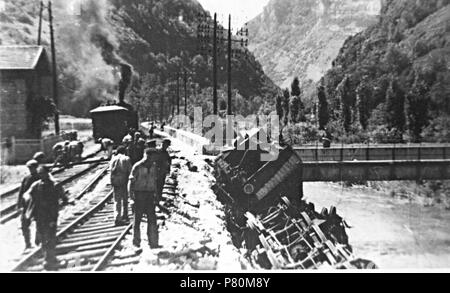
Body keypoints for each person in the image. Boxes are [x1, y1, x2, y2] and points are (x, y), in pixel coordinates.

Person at [25, 166, 70, 270]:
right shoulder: (54, 184)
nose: (41, 175)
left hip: (43, 217)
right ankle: (49, 260)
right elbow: (64, 198)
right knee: (49, 237)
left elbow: (27, 195)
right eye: (40, 174)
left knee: (45, 238)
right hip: (49, 217)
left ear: (46, 173)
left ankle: (50, 259)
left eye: (42, 173)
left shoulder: (37, 185)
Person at [128, 148, 162, 251]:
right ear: (147, 156)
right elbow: (130, 183)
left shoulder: (154, 166)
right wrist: (131, 198)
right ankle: (136, 243)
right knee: (137, 220)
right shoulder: (137, 166)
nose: (154, 159)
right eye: (153, 157)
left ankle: (153, 243)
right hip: (139, 195)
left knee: (152, 219)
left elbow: (155, 181)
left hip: (150, 196)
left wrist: (156, 195)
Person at [17, 160, 40, 250]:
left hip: (38, 204)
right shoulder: (26, 178)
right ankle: (27, 244)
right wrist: (19, 204)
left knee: (40, 224)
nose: (31, 169)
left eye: (32, 168)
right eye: (29, 168)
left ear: (36, 167)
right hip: (27, 205)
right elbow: (21, 191)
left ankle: (38, 242)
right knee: (24, 224)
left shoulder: (40, 177)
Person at [110, 146, 132, 225]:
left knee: (117, 200)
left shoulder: (113, 159)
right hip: (124, 181)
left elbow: (111, 172)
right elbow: (130, 171)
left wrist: (111, 182)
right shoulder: (126, 158)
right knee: (125, 199)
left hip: (115, 181)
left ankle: (117, 217)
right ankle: (125, 215)